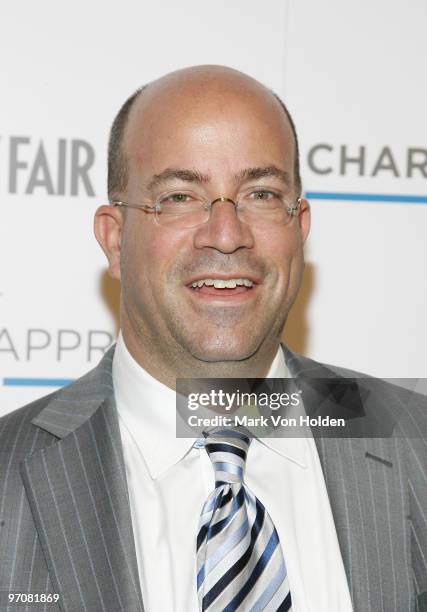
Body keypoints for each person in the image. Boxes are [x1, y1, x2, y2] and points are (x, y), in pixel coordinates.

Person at [0, 65, 425, 612]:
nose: (227, 235)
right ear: (114, 238)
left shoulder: (413, 439)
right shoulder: (10, 475)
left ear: (300, 228)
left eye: (262, 193)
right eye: (179, 197)